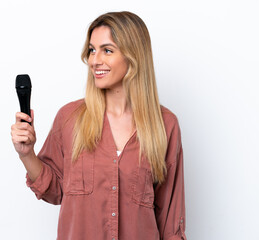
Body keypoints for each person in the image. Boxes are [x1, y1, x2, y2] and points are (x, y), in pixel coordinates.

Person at [11, 11, 186, 240]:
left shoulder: (165, 125)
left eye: (107, 50)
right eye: (92, 50)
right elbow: (54, 191)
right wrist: (26, 154)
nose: (95, 60)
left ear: (134, 56)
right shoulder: (69, 118)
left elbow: (171, 222)